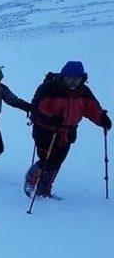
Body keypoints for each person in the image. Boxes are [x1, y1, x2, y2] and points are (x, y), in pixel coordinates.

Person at [25, 61, 111, 198]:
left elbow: (92, 108)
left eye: (77, 79)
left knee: (58, 161)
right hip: (45, 130)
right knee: (46, 160)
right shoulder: (49, 88)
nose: (73, 82)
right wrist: (51, 118)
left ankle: (44, 190)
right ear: (63, 76)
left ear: (82, 79)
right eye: (69, 78)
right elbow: (37, 108)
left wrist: (102, 119)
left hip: (68, 132)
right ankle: (31, 180)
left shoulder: (84, 92)